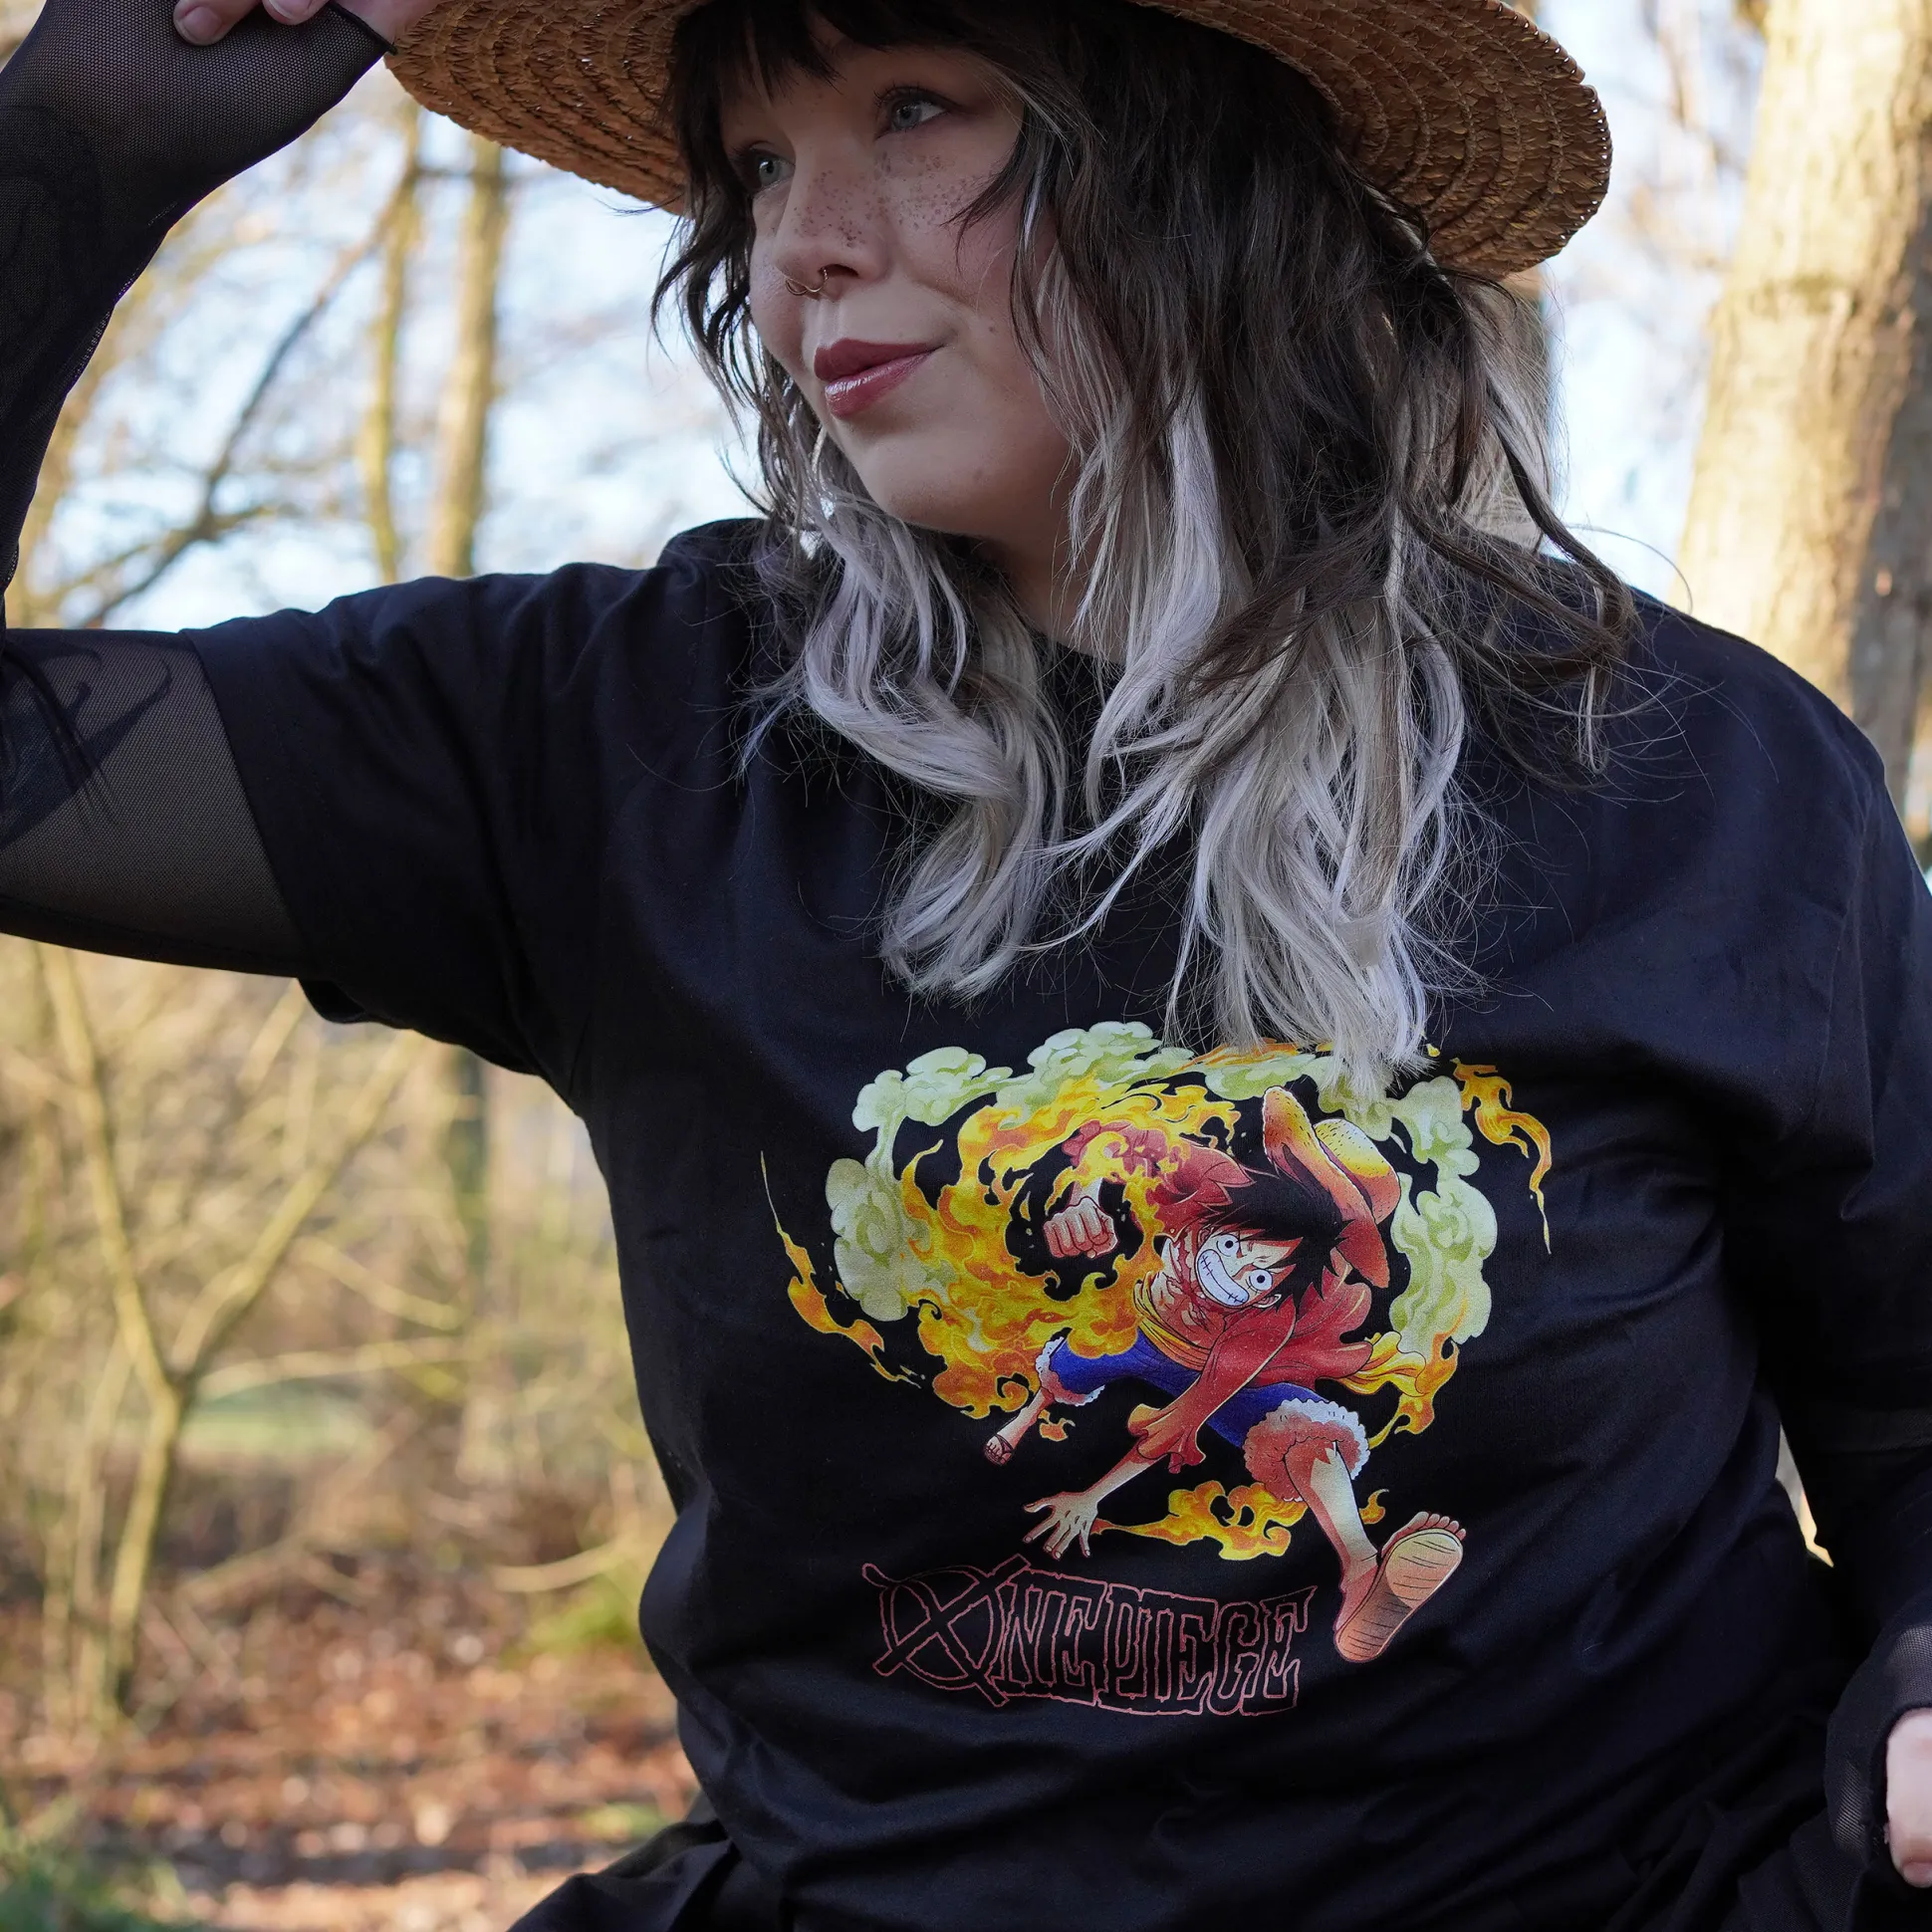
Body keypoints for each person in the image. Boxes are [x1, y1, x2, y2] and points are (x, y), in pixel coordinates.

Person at [0, 0, 1929, 1923]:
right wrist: (78, 151)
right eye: (759, 164)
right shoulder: (622, 742)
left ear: (1216, 157)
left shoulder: (1691, 771)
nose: (801, 247)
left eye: (915, 111)